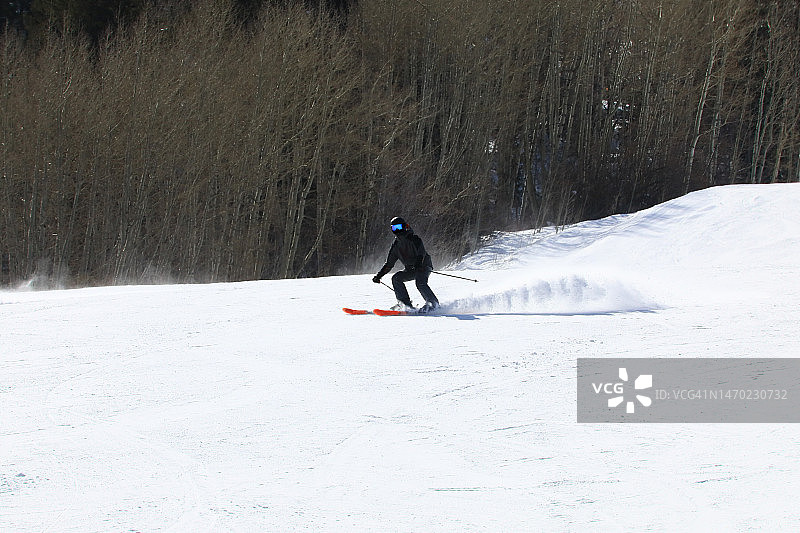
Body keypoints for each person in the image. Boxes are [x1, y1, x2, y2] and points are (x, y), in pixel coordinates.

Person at [373, 217, 440, 312]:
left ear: (405, 226)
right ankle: (405, 304)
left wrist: (419, 264)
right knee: (396, 278)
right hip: (410, 269)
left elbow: (421, 253)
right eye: (394, 228)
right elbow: (389, 264)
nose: (397, 230)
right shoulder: (396, 245)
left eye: (399, 227)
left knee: (420, 282)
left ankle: (433, 304)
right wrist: (379, 276)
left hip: (423, 267)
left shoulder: (415, 239)